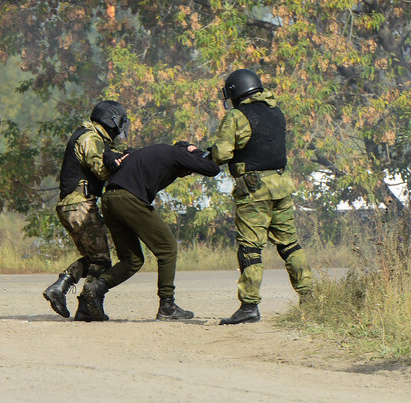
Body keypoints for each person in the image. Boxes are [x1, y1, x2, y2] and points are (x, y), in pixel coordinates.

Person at [211, 68, 313, 325]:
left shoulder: (237, 116)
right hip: (281, 185)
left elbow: (221, 154)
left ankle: (249, 306)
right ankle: (310, 298)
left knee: (250, 249)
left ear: (235, 92)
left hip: (254, 190)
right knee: (289, 244)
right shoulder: (276, 112)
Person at [80, 142, 220, 321]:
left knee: (132, 260)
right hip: (128, 199)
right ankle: (167, 305)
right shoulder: (176, 152)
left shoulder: (151, 152)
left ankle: (96, 288)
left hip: (109, 200)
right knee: (167, 247)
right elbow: (211, 169)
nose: (189, 172)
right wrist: (197, 151)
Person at [42, 100, 129, 320]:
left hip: (73, 205)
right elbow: (101, 170)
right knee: (101, 260)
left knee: (93, 258)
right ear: (111, 120)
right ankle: (82, 300)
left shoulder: (87, 135)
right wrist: (124, 164)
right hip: (80, 204)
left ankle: (71, 296)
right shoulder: (90, 138)